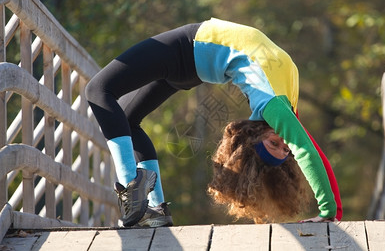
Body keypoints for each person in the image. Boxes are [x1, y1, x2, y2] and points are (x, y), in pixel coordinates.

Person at [86, 18, 343, 227]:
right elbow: (312, 151)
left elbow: (306, 151)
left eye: (275, 145)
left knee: (98, 90)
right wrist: (333, 212)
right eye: (283, 147)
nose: (285, 143)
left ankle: (132, 190)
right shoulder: (286, 110)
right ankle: (157, 209)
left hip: (188, 48)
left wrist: (327, 211)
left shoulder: (272, 106)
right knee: (129, 120)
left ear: (256, 137)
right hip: (195, 63)